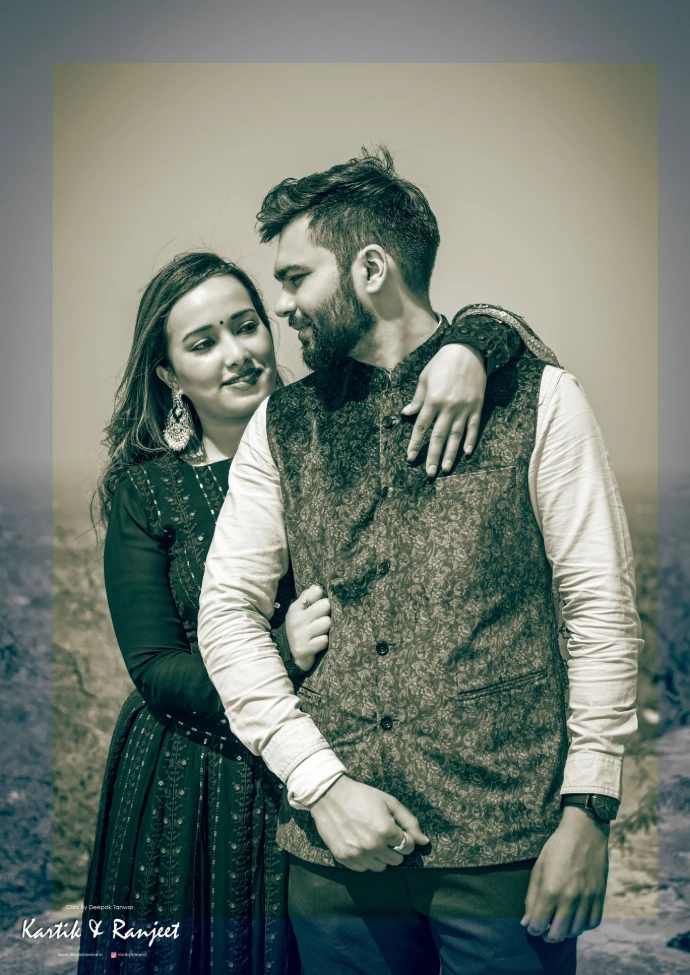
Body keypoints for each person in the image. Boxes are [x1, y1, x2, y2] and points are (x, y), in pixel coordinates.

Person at [197, 148, 642, 975]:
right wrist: (321, 787)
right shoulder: (282, 426)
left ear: (370, 267)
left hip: (510, 845)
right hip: (337, 858)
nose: (282, 303)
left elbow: (600, 611)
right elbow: (226, 613)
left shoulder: (543, 401)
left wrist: (589, 810)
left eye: (296, 277)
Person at [78, 248, 535, 975]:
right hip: (204, 779)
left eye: (246, 325)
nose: (237, 352)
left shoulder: (327, 436)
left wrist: (472, 340)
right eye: (204, 343)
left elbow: (465, 329)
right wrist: (280, 654)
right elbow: (154, 668)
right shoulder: (149, 492)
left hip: (344, 766)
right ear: (168, 375)